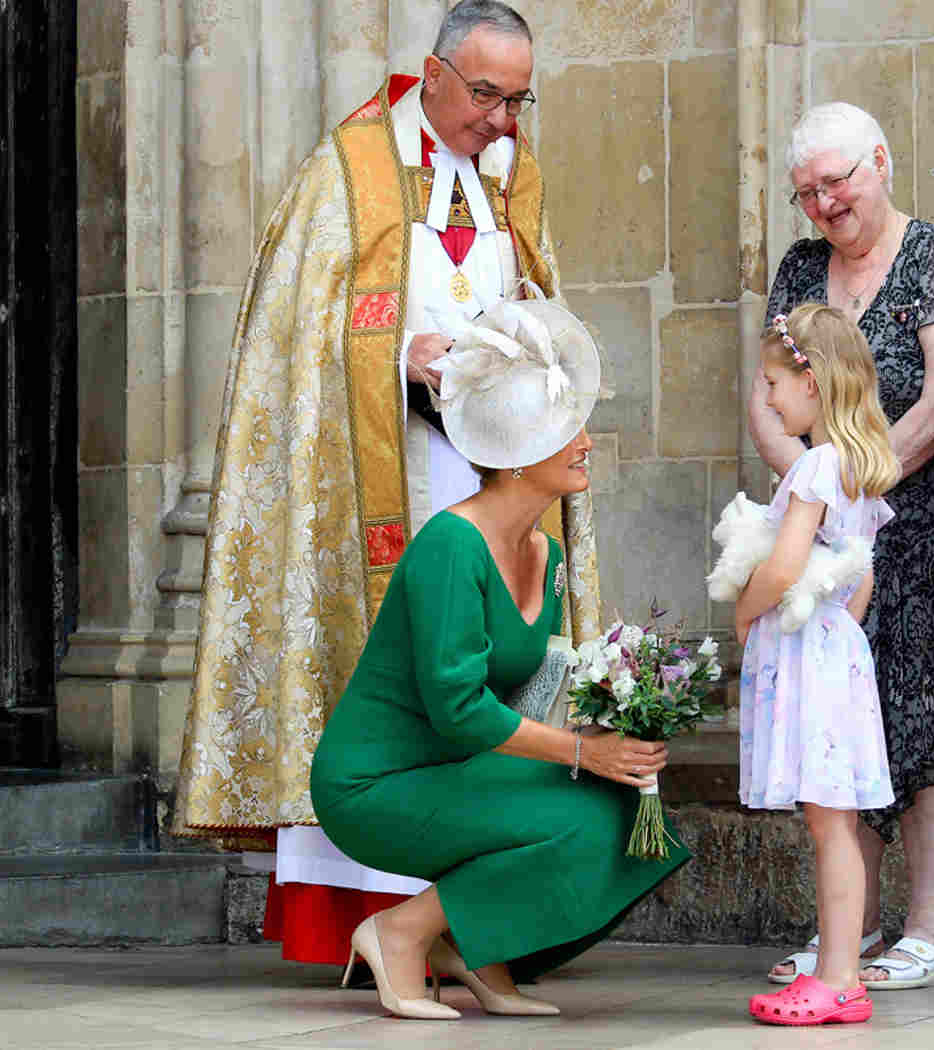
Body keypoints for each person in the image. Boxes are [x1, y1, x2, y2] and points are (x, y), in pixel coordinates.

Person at [173, 0, 605, 969]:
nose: (502, 120)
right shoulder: (347, 175)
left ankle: (465, 920)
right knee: (403, 683)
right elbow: (294, 355)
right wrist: (391, 362)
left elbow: (542, 309)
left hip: (498, 477)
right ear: (433, 74)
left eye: (518, 100)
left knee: (498, 676)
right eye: (486, 96)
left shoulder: (514, 175)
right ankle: (373, 922)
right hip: (391, 476)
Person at [310, 298, 688, 1020]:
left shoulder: (543, 551)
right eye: (563, 429)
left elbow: (524, 689)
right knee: (585, 814)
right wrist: (583, 751)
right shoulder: (451, 546)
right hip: (374, 785)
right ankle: (401, 931)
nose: (584, 441)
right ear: (515, 455)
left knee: (625, 809)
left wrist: (619, 724)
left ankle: (474, 948)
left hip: (454, 768)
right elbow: (458, 710)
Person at [750, 102, 934, 991]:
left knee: (931, 721)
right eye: (808, 192)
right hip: (828, 536)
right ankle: (846, 930)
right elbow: (769, 392)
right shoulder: (798, 268)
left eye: (838, 181)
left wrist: (847, 482)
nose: (826, 203)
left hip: (924, 529)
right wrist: (809, 495)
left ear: (882, 162)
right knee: (837, 724)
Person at [740, 304, 899, 1026]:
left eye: (774, 381)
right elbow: (860, 576)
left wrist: (746, 613)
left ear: (814, 382)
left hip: (811, 650)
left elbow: (785, 564)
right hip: (836, 648)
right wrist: (840, 640)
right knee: (834, 823)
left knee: (831, 827)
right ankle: (841, 971)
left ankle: (838, 977)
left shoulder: (814, 464)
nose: (768, 398)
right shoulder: (858, 468)